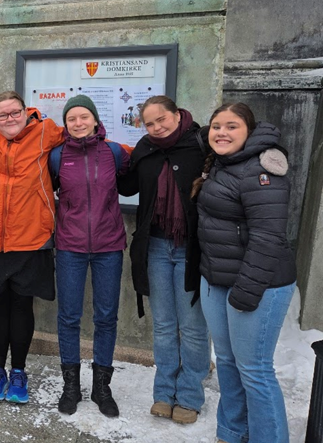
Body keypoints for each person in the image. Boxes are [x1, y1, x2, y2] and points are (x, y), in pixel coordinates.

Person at [194, 103, 295, 443]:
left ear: (248, 131)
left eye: (231, 126)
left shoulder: (262, 170)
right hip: (218, 279)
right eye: (216, 126)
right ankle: (232, 432)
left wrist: (245, 292)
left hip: (258, 284)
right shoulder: (224, 164)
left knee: (254, 370)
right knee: (226, 361)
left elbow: (268, 238)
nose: (221, 132)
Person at [0, 91, 63, 404]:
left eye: (15, 113)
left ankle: (18, 371)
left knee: (22, 306)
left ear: (26, 112)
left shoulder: (46, 132)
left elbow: (85, 135)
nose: (9, 119)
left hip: (30, 237)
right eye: (2, 114)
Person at [116, 95, 210, 424]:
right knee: (165, 326)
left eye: (161, 120)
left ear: (177, 114)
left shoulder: (201, 142)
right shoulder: (146, 148)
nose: (156, 128)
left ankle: (189, 395)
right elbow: (126, 186)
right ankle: (163, 392)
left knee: (193, 328)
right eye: (150, 123)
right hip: (156, 246)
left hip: (190, 248)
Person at [53, 95, 130, 418]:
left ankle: (102, 387)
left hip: (108, 245)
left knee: (105, 317)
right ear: (66, 124)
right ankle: (71, 386)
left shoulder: (113, 153)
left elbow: (129, 184)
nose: (78, 123)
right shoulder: (57, 156)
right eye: (72, 118)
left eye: (84, 117)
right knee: (69, 317)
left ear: (95, 120)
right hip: (69, 245)